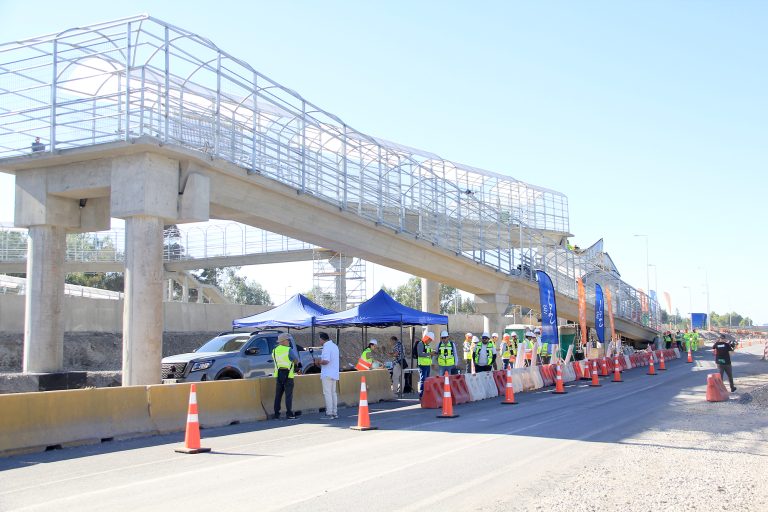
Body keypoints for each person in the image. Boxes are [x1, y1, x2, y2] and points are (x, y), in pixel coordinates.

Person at [272, 333, 299, 420]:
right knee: (288, 395)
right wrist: (295, 364)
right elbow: (295, 360)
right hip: (288, 376)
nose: (288, 342)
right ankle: (289, 414)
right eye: (288, 340)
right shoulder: (288, 350)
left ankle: (276, 414)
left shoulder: (274, 350)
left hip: (278, 375)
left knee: (278, 395)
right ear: (283, 341)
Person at [315, 332, 340, 420]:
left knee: (327, 393)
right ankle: (334, 412)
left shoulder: (326, 347)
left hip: (327, 373)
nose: (319, 341)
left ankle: (329, 413)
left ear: (322, 339)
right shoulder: (335, 346)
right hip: (334, 373)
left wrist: (318, 362)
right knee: (333, 393)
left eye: (319, 339)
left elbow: (326, 361)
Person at [415, 332, 435, 397]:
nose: (430, 341)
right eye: (430, 340)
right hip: (422, 365)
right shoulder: (421, 344)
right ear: (427, 338)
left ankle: (426, 393)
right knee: (423, 380)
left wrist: (433, 353)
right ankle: (421, 394)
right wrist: (430, 354)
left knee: (427, 379)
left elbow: (428, 354)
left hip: (427, 365)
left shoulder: (427, 345)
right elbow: (420, 354)